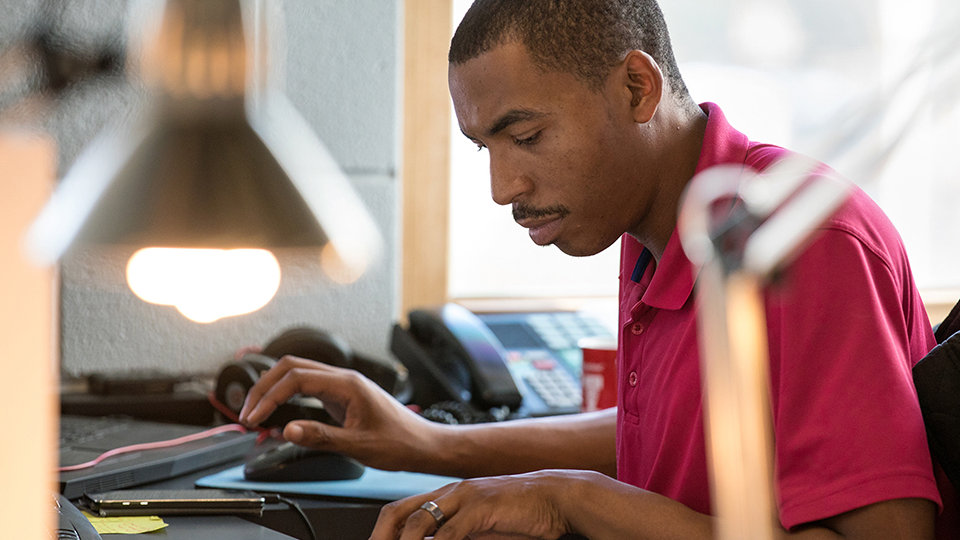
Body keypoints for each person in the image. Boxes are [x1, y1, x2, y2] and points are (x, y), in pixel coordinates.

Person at [239, 1, 955, 538]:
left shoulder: (799, 243)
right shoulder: (649, 227)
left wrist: (568, 498)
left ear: (637, 89)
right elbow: (661, 432)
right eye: (485, 147)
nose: (503, 187)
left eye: (526, 136)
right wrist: (430, 445)